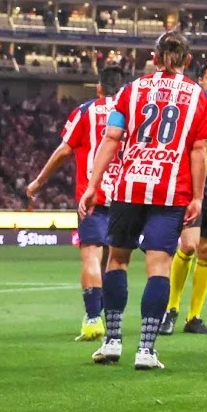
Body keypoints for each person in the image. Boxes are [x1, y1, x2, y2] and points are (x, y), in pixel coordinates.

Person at [80, 33, 207, 370]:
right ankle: (145, 349)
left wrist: (93, 185)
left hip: (130, 186)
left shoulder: (130, 91)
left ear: (154, 58)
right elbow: (199, 151)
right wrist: (197, 196)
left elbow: (111, 139)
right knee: (158, 266)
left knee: (118, 261)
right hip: (171, 190)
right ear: (187, 61)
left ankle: (111, 342)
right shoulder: (199, 97)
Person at [27, 65, 127, 341]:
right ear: (122, 88)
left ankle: (93, 319)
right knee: (115, 259)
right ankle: (112, 319)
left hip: (92, 195)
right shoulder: (133, 112)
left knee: (91, 256)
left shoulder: (85, 111)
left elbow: (64, 151)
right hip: (126, 196)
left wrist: (39, 181)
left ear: (99, 88)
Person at [159, 60, 207, 335]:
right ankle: (171, 309)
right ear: (200, 80)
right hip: (191, 184)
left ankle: (194, 317)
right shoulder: (188, 107)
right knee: (188, 245)